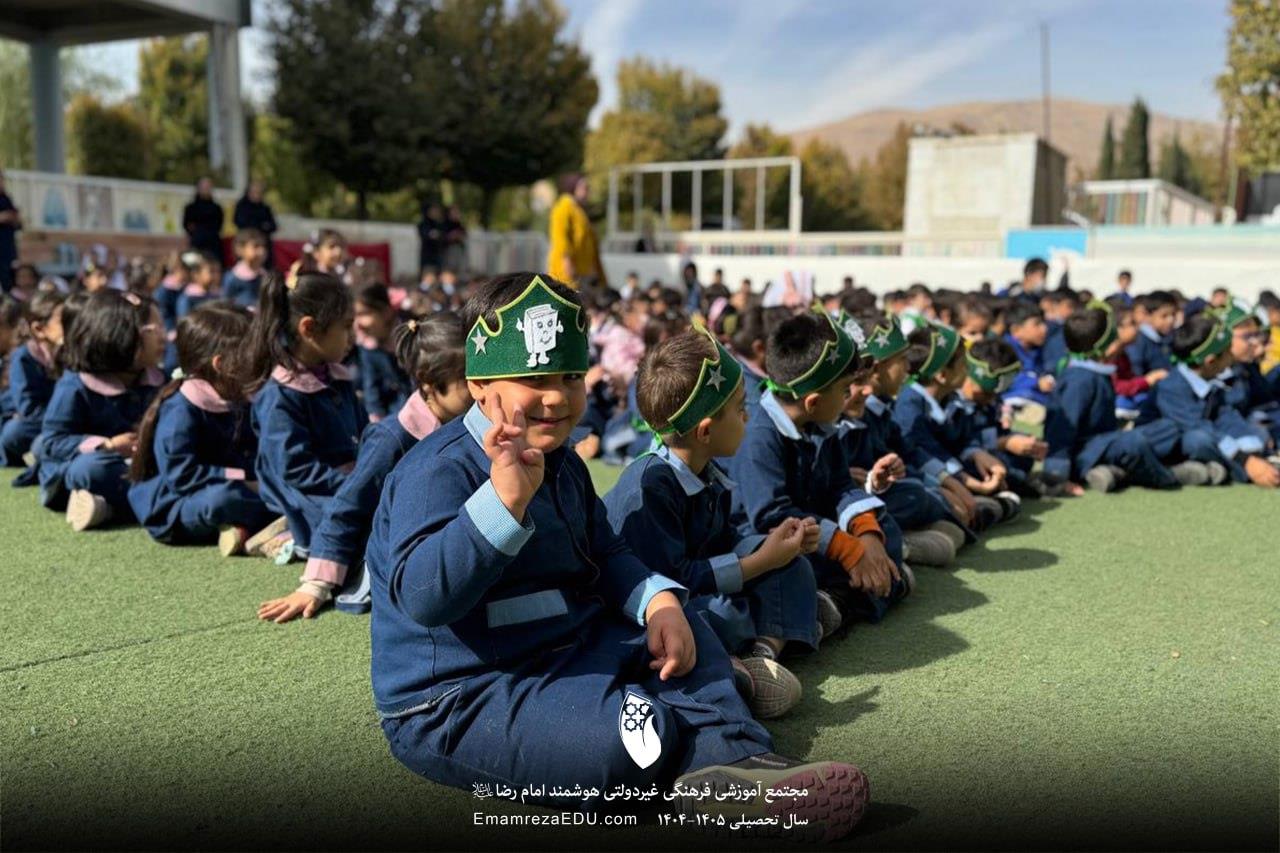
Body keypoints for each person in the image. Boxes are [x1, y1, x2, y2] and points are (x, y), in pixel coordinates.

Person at [366, 273, 869, 838]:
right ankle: (687, 715)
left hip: (572, 646)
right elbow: (425, 598)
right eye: (535, 379)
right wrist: (502, 504)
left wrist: (657, 604)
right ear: (480, 383)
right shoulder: (437, 470)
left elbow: (606, 552)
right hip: (461, 695)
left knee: (687, 622)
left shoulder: (564, 462)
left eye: (571, 376)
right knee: (632, 745)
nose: (557, 396)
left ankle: (736, 761)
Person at [604, 326, 819, 720]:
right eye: (739, 408)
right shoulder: (649, 486)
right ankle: (748, 654)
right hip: (657, 608)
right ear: (705, 431)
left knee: (794, 567)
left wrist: (773, 545)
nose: (747, 415)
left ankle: (763, 651)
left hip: (703, 585)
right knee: (723, 615)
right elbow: (670, 581)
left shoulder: (706, 467)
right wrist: (759, 562)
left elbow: (722, 540)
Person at [259, 312, 470, 622]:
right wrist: (315, 586)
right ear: (428, 380)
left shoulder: (474, 423)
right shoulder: (392, 440)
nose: (484, 389)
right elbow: (348, 507)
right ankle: (293, 534)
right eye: (469, 380)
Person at [728, 309, 909, 630]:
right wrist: (846, 548)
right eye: (845, 389)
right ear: (812, 402)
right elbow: (772, 516)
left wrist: (866, 533)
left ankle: (843, 599)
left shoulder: (823, 423)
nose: (850, 396)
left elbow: (841, 485)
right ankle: (862, 594)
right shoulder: (759, 437)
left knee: (886, 529)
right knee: (793, 568)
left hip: (815, 524)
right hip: (774, 538)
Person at [126, 304, 277, 546]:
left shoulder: (239, 396)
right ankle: (274, 520)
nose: (261, 362)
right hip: (178, 504)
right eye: (253, 355)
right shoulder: (180, 410)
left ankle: (240, 529)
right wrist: (243, 479)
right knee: (223, 500)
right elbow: (181, 476)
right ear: (221, 364)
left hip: (240, 488)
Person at [242, 269, 365, 562]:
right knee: (350, 525)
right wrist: (352, 485)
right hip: (307, 491)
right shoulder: (280, 395)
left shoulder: (339, 378)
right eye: (346, 327)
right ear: (309, 329)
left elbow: (365, 435)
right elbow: (296, 469)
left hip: (344, 482)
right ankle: (284, 534)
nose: (353, 337)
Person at [36, 291, 166, 529]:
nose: (163, 336)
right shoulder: (75, 386)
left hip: (139, 466)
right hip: (96, 465)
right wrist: (108, 445)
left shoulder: (159, 379)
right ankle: (157, 501)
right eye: (153, 329)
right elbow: (53, 441)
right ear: (117, 335)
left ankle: (109, 509)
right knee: (89, 469)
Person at [1152, 312, 1277, 487]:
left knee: (1257, 434)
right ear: (1210, 361)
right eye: (1227, 352)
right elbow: (1197, 427)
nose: (1231, 356)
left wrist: (1253, 446)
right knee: (1198, 440)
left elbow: (1226, 417)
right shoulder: (1171, 388)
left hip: (1210, 436)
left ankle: (1215, 468)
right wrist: (1246, 460)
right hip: (1175, 445)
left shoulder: (1211, 379)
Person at [2, 291, 64, 472]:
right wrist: (61, 419)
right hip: (39, 420)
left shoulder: (71, 353)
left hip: (65, 421)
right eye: (64, 321)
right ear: (39, 329)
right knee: (14, 431)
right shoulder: (24, 357)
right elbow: (28, 408)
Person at [353, 283, 413, 422]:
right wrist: (377, 421)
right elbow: (371, 388)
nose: (358, 323)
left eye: (364, 314)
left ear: (386, 312)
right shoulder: (369, 347)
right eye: (356, 315)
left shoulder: (410, 336)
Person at [547, 174, 605, 289]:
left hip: (581, 270)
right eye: (584, 187)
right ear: (573, 188)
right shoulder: (563, 207)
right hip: (566, 271)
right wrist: (567, 262)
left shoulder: (578, 209)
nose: (587, 191)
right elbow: (560, 237)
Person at [222, 229, 269, 308]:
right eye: (256, 246)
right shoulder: (232, 277)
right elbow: (225, 302)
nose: (262, 251)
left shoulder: (265, 275)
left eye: (263, 246)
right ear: (240, 249)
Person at [182, 177, 225, 259]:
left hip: (213, 246)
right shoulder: (190, 208)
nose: (205, 189)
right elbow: (187, 225)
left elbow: (219, 226)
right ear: (198, 188)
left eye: (208, 187)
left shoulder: (217, 208)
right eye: (203, 187)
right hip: (197, 245)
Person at [0, 169, 22, 293]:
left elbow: (17, 222)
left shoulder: (6, 198)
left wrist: (14, 218)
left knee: (10, 279)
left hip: (8, 248)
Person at [417, 202, 446, 275]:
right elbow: (425, 235)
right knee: (428, 274)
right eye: (433, 210)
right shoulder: (424, 224)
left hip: (439, 254)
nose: (435, 213)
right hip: (428, 255)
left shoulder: (440, 224)